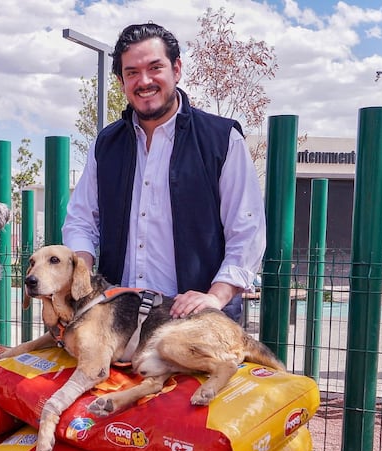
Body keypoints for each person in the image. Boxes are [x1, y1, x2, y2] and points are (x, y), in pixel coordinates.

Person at [62, 21, 266, 323]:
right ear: (121, 81)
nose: (144, 81)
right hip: (119, 320)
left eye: (155, 67)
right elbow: (81, 221)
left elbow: (247, 229)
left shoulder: (221, 140)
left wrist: (216, 295)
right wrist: (79, 278)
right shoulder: (106, 145)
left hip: (197, 320)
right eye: (132, 72)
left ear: (177, 69)